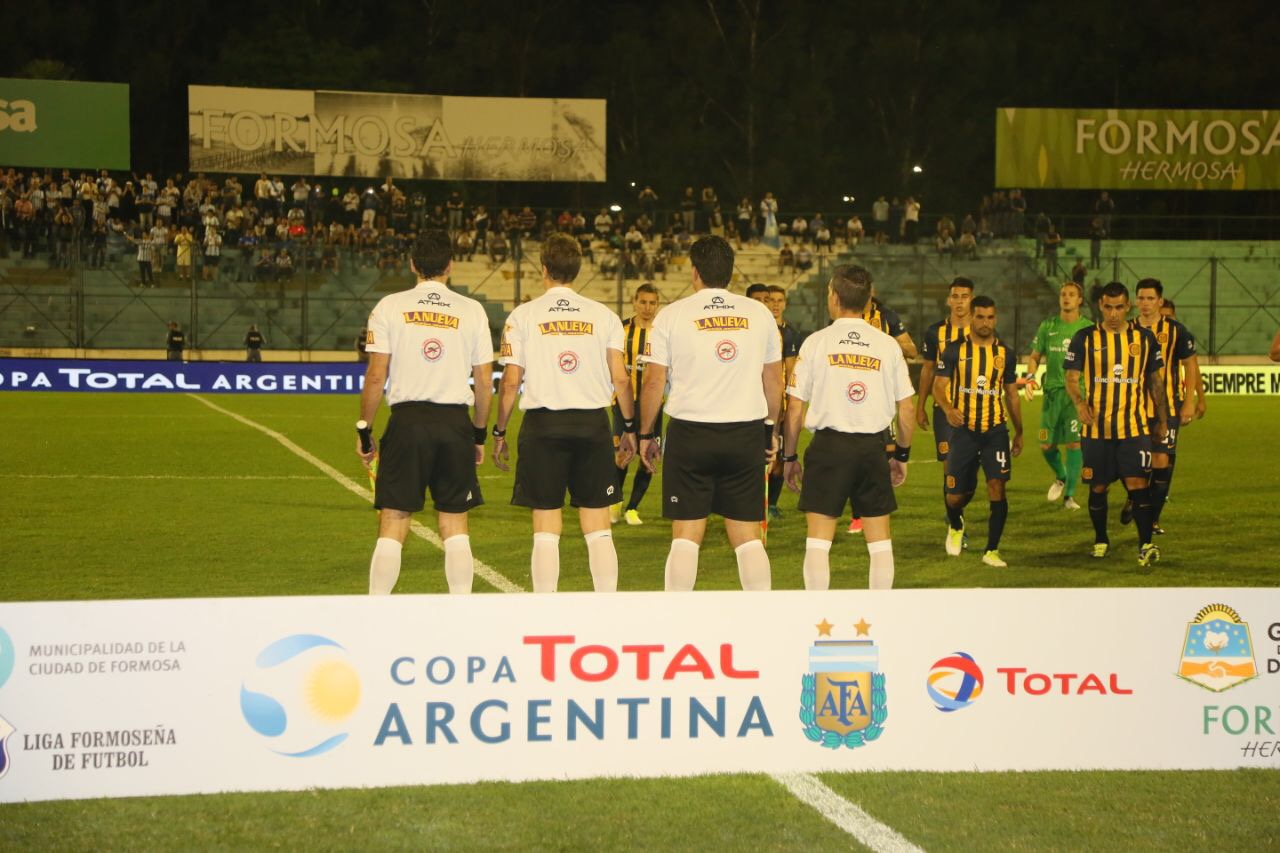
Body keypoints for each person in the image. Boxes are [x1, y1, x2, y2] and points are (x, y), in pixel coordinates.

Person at [637, 235, 783, 591]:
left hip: (691, 433)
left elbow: (655, 381)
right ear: (730, 274)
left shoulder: (672, 314)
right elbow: (774, 379)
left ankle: (678, 618)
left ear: (695, 272)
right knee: (747, 534)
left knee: (686, 533)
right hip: (744, 432)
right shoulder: (759, 312)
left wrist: (644, 435)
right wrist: (770, 432)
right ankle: (762, 615)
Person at [493, 234, 634, 593]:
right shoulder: (604, 315)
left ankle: (545, 608)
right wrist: (630, 428)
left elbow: (511, 383)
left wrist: (498, 432)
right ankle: (607, 604)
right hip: (592, 424)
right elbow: (620, 377)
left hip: (543, 425)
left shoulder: (523, 315)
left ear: (543, 268)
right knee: (598, 524)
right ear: (577, 269)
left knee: (545, 524)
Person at [356, 230, 494, 595]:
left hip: (407, 422)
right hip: (454, 423)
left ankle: (376, 608)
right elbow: (484, 381)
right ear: (450, 265)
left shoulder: (389, 306)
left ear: (412, 263)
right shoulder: (472, 310)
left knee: (394, 519)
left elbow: (375, 375)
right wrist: (478, 434)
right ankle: (460, 610)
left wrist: (365, 431)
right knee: (454, 521)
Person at [783, 265, 915, 590]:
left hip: (828, 448)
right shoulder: (887, 346)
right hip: (872, 448)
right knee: (880, 542)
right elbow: (907, 408)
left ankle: (817, 614)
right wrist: (902, 454)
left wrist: (789, 458)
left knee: (818, 541)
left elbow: (796, 407)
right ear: (869, 299)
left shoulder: (816, 342)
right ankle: (879, 614)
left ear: (834, 297)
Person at [1064, 281, 1168, 566]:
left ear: (1128, 306)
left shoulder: (1144, 339)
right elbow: (1071, 378)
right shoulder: (1084, 338)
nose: (1113, 314)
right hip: (1096, 430)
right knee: (1098, 488)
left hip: (1134, 428)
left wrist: (1161, 419)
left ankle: (1145, 544)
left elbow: (1155, 382)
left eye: (1119, 307)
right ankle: (1101, 539)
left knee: (1138, 486)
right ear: (1100, 306)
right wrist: (1080, 403)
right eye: (1108, 307)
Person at [933, 295, 1023, 567]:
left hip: (995, 430)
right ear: (971, 317)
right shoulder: (954, 350)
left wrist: (1019, 431)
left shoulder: (1005, 353)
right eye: (981, 316)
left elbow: (1011, 394)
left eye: (991, 317)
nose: (986, 322)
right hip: (963, 431)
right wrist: (948, 409)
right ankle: (956, 524)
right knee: (956, 495)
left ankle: (992, 551)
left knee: (997, 486)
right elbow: (939, 386)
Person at [1122, 278, 1203, 535]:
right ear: (1136, 301)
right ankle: (1136, 499)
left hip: (1166, 407)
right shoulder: (1126, 330)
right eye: (1141, 298)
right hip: (1132, 407)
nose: (1145, 304)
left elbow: (1190, 364)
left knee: (1161, 462)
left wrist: (1189, 401)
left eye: (1150, 299)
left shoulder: (1176, 331)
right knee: (1132, 465)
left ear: (1159, 301)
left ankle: (1151, 518)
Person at [1024, 281, 1095, 510]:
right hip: (1052, 394)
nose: (1066, 298)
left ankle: (1070, 497)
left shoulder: (1089, 329)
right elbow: (1034, 356)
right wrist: (1030, 377)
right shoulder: (1048, 326)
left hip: (1076, 395)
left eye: (1072, 294)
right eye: (1063, 294)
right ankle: (1061, 475)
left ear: (1080, 300)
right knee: (1046, 446)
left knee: (1075, 444)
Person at [916, 276, 975, 521]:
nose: (959, 301)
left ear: (971, 299)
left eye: (964, 296)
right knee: (949, 466)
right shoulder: (935, 332)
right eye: (955, 296)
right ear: (948, 300)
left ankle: (957, 506)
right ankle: (955, 522)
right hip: (944, 409)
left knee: (970, 473)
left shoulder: (981, 330)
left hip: (975, 408)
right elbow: (928, 369)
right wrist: (920, 406)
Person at [610, 283, 661, 526]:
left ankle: (632, 508)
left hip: (654, 405)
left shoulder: (662, 332)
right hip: (624, 402)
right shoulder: (621, 329)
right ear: (634, 302)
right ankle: (615, 503)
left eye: (652, 303)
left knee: (647, 457)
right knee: (622, 453)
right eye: (643, 302)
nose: (647, 307)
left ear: (657, 305)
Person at [766, 284, 803, 520]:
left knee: (778, 457)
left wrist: (789, 405)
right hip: (755, 404)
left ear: (785, 304)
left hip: (779, 404)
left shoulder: (789, 334)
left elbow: (791, 373)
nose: (775, 304)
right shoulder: (758, 330)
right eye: (771, 300)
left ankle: (771, 504)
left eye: (780, 300)